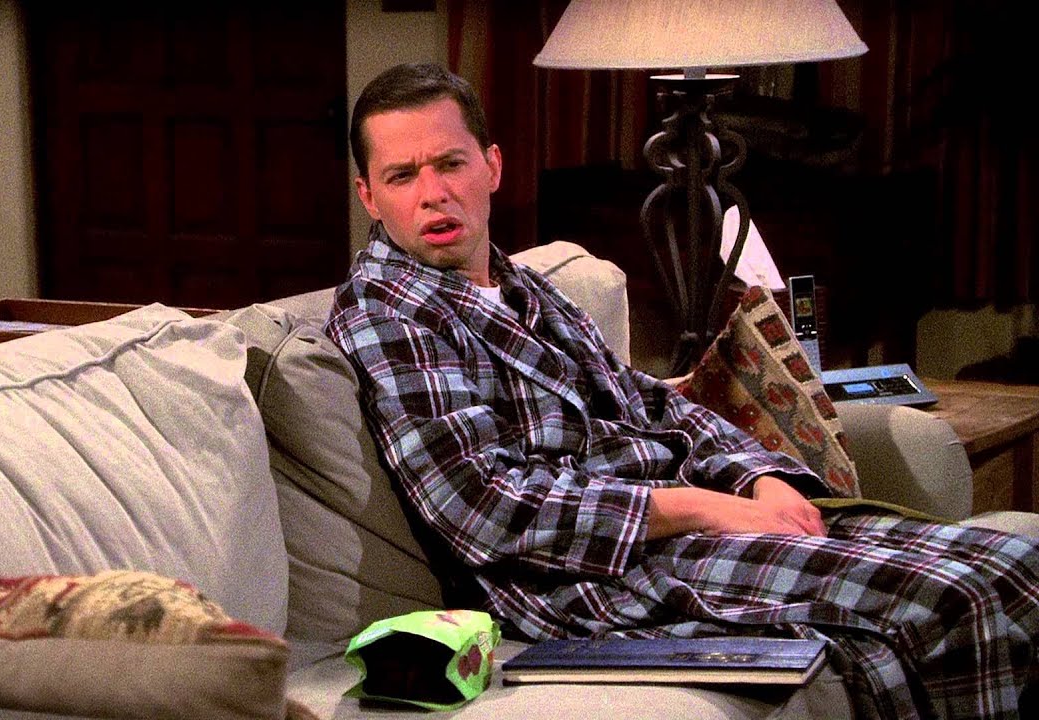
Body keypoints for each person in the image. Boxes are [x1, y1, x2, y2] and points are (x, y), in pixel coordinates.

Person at [324, 62, 1038, 720]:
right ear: (369, 196)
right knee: (955, 598)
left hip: (691, 524)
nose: (433, 193)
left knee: (1015, 566)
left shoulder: (525, 288)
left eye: (450, 163)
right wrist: (709, 506)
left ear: (492, 166)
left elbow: (654, 403)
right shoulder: (387, 315)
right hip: (590, 575)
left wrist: (758, 478)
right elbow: (481, 508)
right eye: (402, 175)